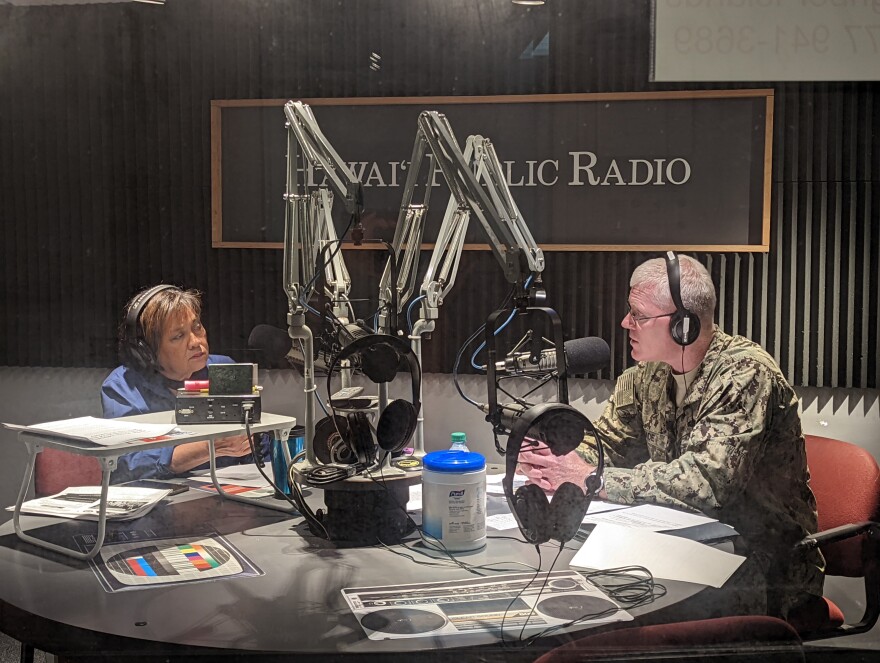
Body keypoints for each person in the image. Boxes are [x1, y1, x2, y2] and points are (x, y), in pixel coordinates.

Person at [518, 253, 824, 619]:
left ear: (684, 326)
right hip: (681, 549)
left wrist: (589, 478)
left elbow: (704, 484)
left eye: (639, 316)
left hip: (764, 566)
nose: (625, 322)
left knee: (619, 620)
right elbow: (608, 445)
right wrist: (554, 461)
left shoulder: (745, 374)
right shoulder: (646, 375)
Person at [102, 284, 267, 483]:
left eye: (197, 327)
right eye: (178, 336)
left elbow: (259, 451)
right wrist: (210, 447)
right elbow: (128, 465)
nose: (196, 342)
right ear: (146, 351)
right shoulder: (122, 387)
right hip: (158, 504)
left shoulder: (224, 368)